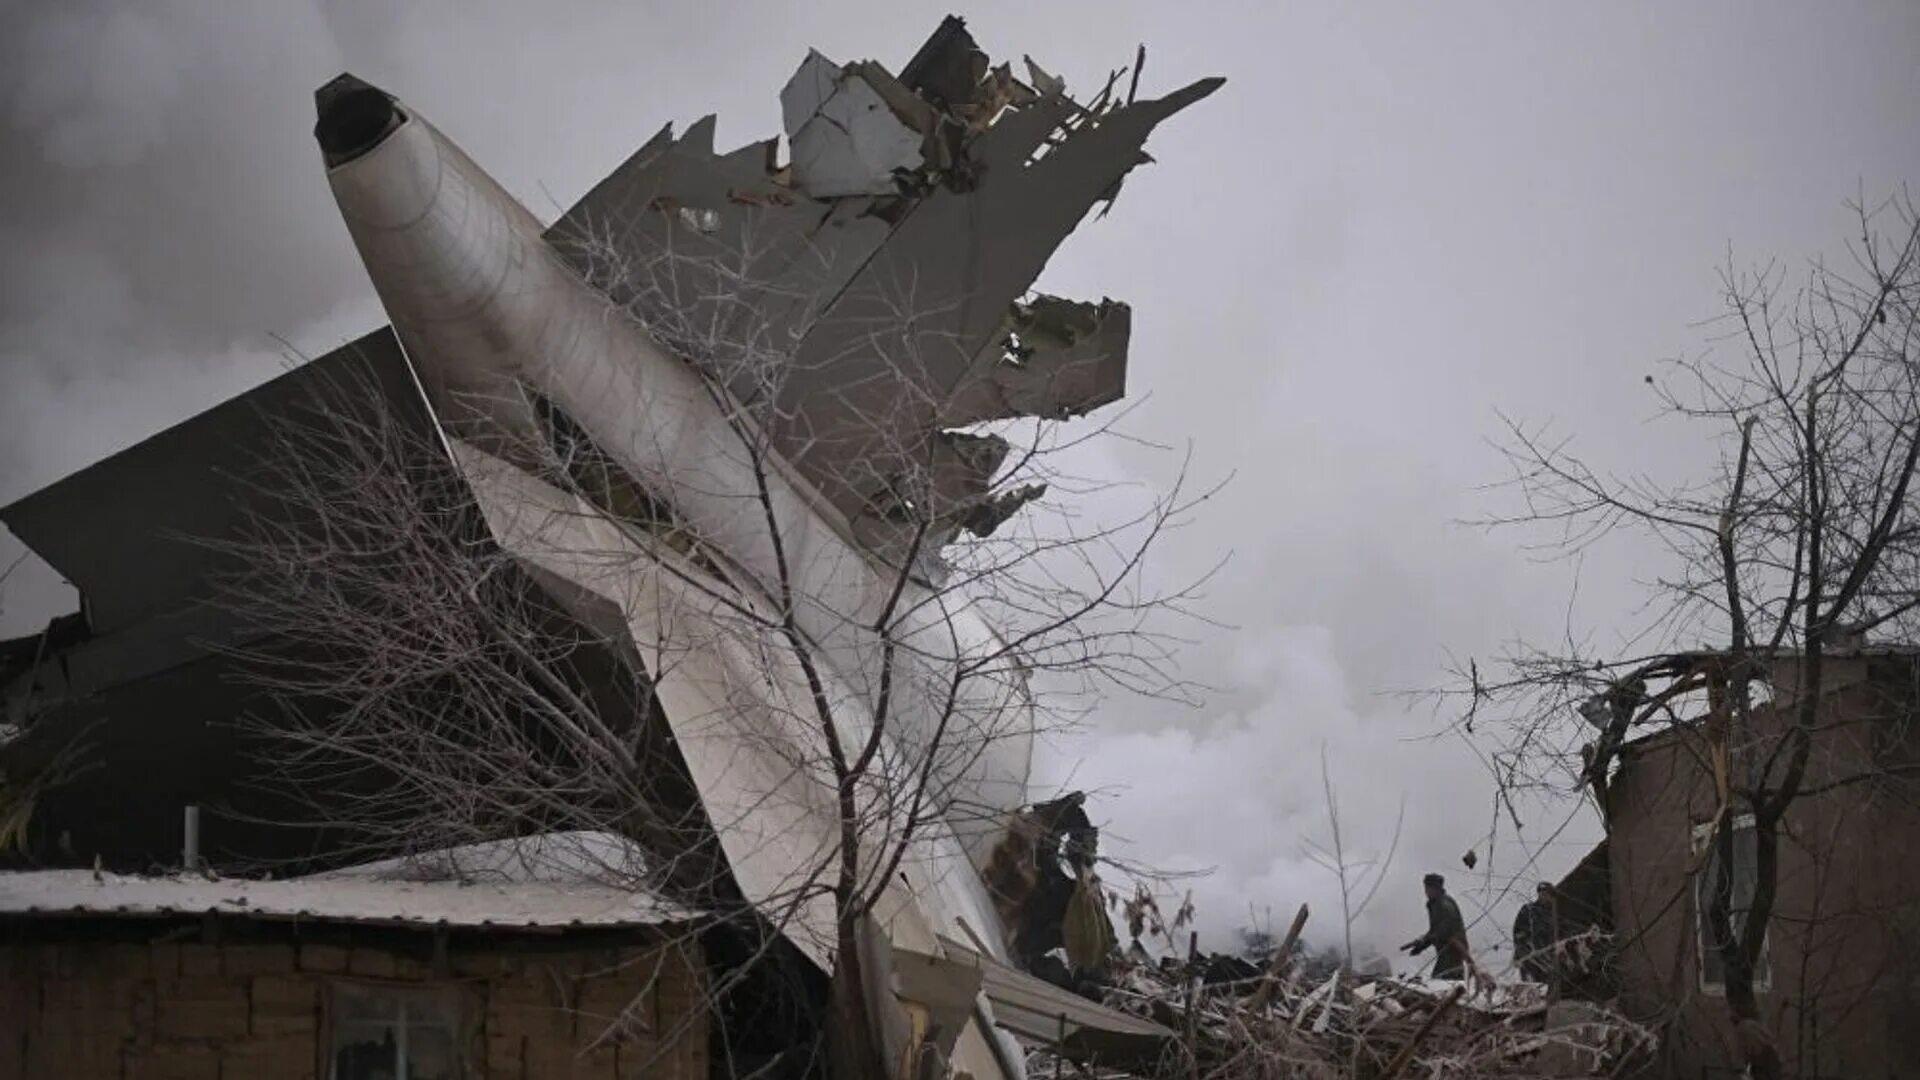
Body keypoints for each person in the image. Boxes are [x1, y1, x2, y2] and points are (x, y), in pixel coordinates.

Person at [1400, 872, 1467, 979]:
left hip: (1451, 951)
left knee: (1440, 983)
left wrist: (1424, 942)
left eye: (1427, 888)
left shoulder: (1443, 905)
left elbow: (1443, 931)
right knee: (1451, 983)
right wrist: (1422, 944)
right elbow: (1435, 930)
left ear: (1434, 888)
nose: (1426, 892)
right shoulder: (1436, 903)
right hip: (1447, 951)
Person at [1512, 881, 1557, 984]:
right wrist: (1523, 948)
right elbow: (1518, 933)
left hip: (1547, 958)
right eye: (1541, 893)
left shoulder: (1554, 914)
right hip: (1529, 957)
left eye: (1547, 894)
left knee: (1548, 986)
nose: (1543, 896)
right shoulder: (1528, 910)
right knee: (1531, 988)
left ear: (1552, 896)